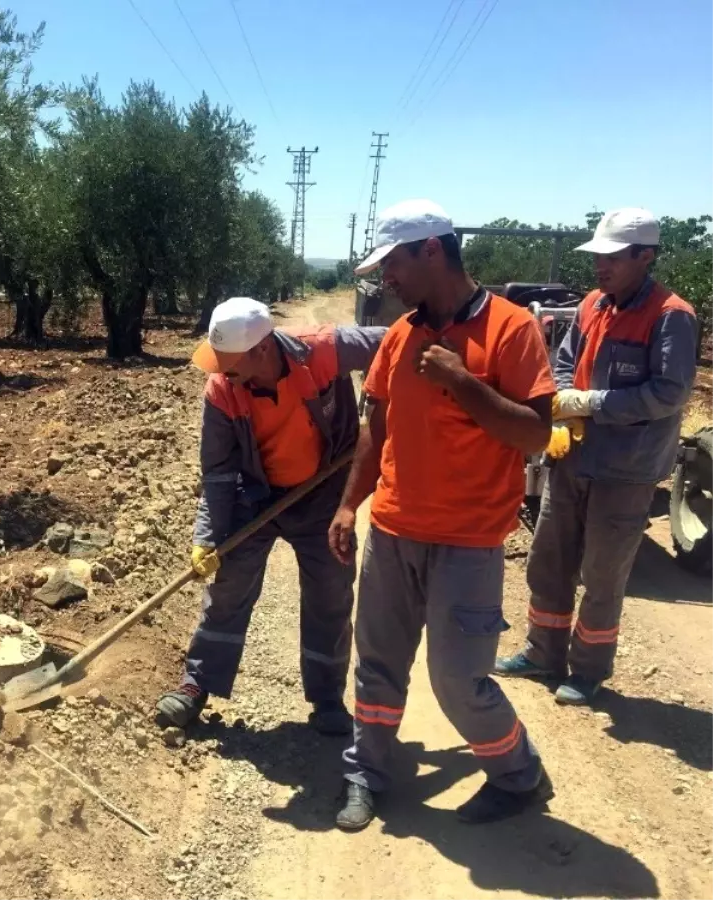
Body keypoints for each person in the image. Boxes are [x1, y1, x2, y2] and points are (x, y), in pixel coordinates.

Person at [330, 199, 556, 832]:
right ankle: (364, 773)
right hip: (395, 532)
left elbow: (536, 435)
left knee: (457, 679)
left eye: (394, 264)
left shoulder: (511, 329)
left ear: (432, 250)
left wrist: (462, 381)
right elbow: (377, 428)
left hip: (469, 541)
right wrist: (351, 504)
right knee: (376, 664)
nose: (387, 280)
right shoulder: (400, 335)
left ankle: (518, 773)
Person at [155, 296, 385, 735]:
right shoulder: (223, 389)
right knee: (228, 590)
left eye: (230, 362)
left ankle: (327, 700)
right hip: (254, 497)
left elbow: (397, 342)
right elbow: (219, 473)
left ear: (263, 349)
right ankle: (196, 683)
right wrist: (208, 537)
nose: (223, 372)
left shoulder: (320, 351)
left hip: (322, 494)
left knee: (330, 596)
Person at [495, 208, 699, 705]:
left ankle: (587, 669)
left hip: (625, 471)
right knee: (549, 561)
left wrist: (592, 404)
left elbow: (669, 394)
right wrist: (565, 403)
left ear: (644, 257)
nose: (600, 265)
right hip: (574, 459)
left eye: (611, 256)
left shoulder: (672, 315)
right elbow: (564, 362)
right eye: (598, 255)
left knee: (603, 574)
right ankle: (543, 652)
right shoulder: (592, 304)